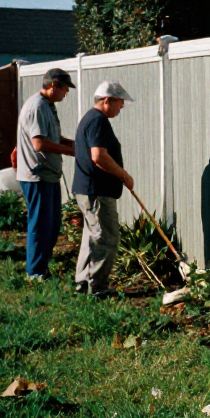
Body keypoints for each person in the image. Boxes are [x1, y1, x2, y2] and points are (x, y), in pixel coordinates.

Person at [72, 81, 136, 297]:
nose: (122, 106)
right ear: (107, 100)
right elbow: (98, 156)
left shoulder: (90, 119)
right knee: (106, 238)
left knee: (91, 236)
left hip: (88, 189)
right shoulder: (98, 121)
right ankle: (98, 288)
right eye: (120, 102)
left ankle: (82, 282)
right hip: (97, 191)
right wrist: (124, 175)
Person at [14, 68, 77, 280]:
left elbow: (53, 138)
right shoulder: (38, 107)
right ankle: (35, 272)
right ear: (53, 86)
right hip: (36, 174)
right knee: (40, 223)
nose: (66, 94)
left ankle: (42, 267)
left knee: (51, 223)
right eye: (65, 89)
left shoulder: (47, 106)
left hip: (47, 174)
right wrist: (70, 151)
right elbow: (39, 143)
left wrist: (77, 145)